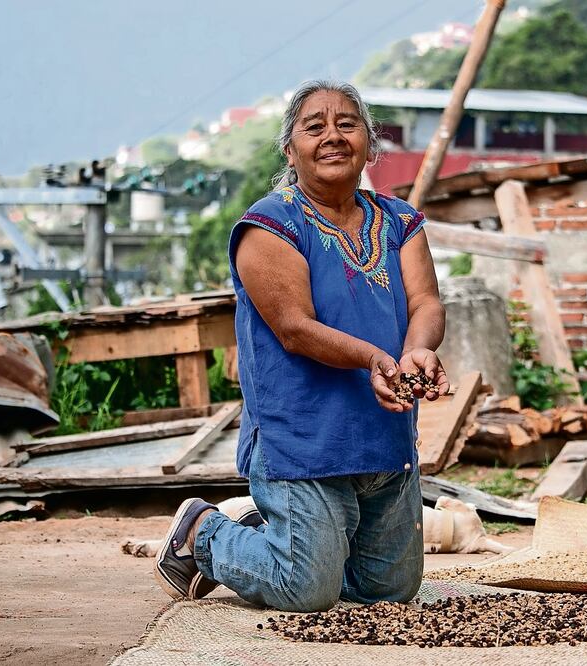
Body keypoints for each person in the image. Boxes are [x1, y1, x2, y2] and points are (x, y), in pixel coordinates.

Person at [154, 80, 449, 612]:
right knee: (307, 590)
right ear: (291, 150)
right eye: (314, 127)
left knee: (390, 592)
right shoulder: (271, 224)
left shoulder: (401, 222)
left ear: (369, 143)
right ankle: (205, 532)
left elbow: (426, 302)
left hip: (384, 435)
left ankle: (285, 540)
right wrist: (374, 358)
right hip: (304, 436)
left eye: (347, 124)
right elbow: (293, 327)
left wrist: (417, 353)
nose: (332, 136)